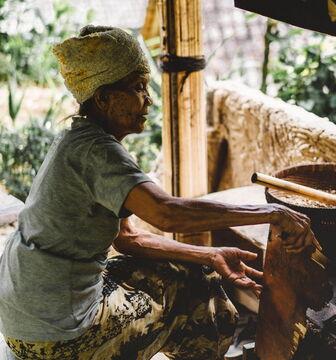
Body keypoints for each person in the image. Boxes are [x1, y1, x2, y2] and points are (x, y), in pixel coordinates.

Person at [0, 26, 319, 360]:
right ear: (104, 98)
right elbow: (166, 212)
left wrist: (208, 255)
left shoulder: (75, 140)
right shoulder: (99, 153)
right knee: (203, 295)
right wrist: (273, 213)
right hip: (56, 336)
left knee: (190, 271)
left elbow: (128, 239)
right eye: (138, 88)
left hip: (23, 316)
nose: (148, 99)